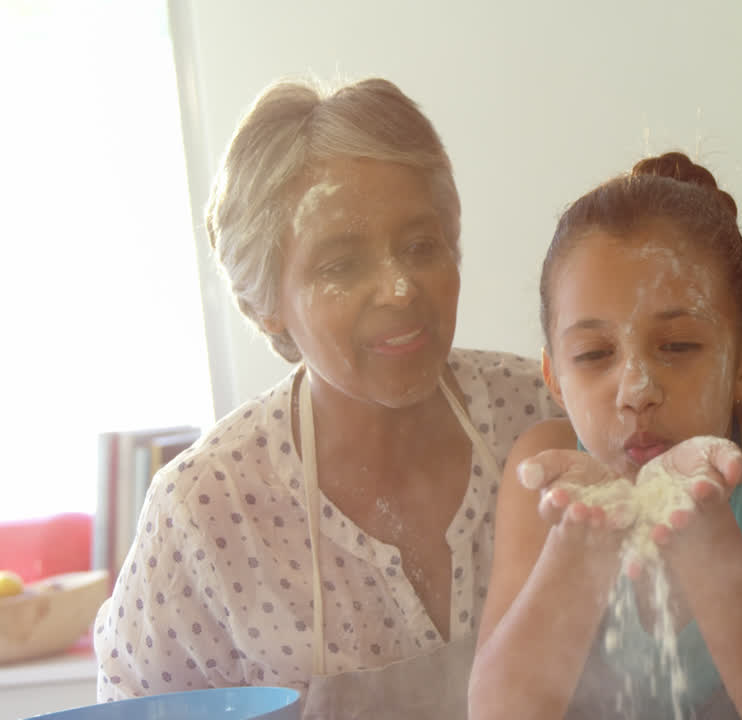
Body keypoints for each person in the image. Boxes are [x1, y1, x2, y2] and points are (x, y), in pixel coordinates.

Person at [92, 77, 561, 717]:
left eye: (421, 246)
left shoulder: (546, 412)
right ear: (267, 306)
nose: (400, 289)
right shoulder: (204, 513)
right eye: (341, 264)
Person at [469, 152, 742, 719]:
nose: (636, 388)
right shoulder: (546, 470)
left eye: (678, 346)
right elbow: (497, 712)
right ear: (555, 377)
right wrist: (574, 552)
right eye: (593, 354)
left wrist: (702, 532)